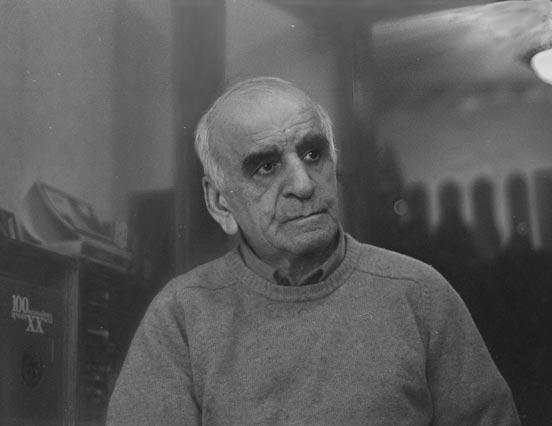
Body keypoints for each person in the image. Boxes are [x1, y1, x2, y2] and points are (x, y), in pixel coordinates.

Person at [107, 77, 520, 425]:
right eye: (266, 167)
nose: (304, 185)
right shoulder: (180, 316)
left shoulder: (421, 294)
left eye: (312, 154)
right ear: (220, 203)